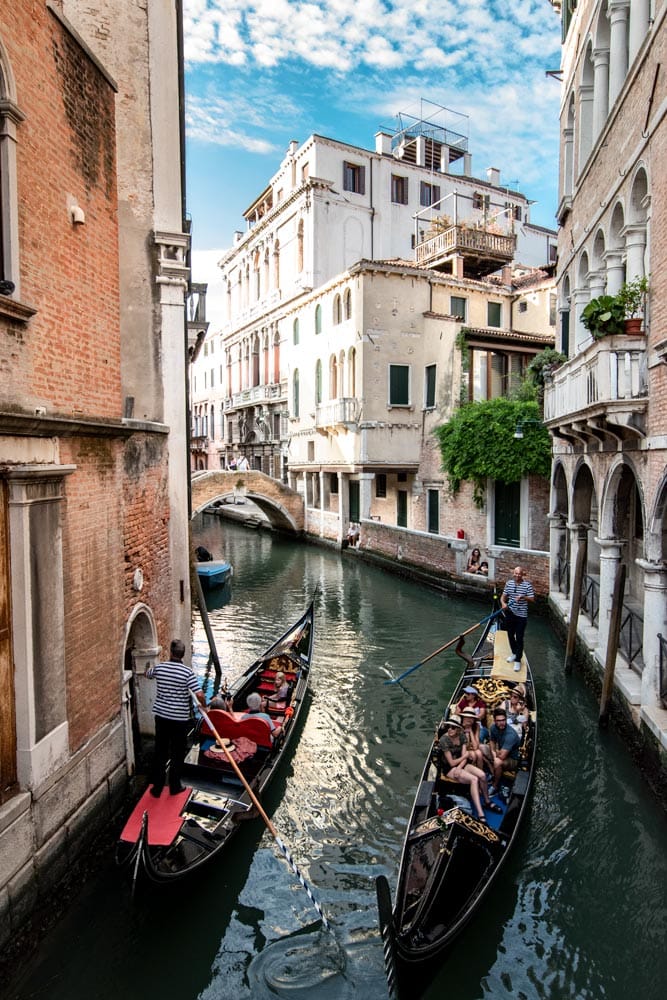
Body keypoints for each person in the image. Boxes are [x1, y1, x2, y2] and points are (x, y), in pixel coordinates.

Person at [147, 639, 206, 797]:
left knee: (160, 751)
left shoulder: (160, 668)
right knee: (177, 753)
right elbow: (199, 694)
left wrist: (150, 670)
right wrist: (204, 705)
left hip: (161, 717)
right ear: (183, 654)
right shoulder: (187, 673)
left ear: (170, 653)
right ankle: (174, 787)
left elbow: (148, 674)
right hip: (179, 720)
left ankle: (157, 788)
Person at [438, 717, 501, 823]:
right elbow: (451, 762)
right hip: (449, 768)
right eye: (448, 727)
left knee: (482, 775)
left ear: (458, 729)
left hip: (460, 765)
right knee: (474, 779)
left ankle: (487, 801)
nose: (449, 729)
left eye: (452, 727)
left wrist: (460, 766)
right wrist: (463, 759)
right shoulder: (444, 740)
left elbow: (464, 756)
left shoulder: (462, 736)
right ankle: (480, 813)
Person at [501, 565, 535, 669]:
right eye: (516, 573)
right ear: (513, 574)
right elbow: (503, 596)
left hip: (521, 616)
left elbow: (532, 599)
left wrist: (523, 597)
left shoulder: (527, 585)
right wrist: (503, 603)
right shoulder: (509, 583)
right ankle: (515, 653)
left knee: (519, 637)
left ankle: (518, 660)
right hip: (510, 613)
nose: (517, 575)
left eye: (519, 573)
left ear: (522, 575)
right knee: (510, 635)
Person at [488, 707, 521, 787]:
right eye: (499, 721)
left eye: (503, 720)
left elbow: (502, 756)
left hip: (512, 759)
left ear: (506, 719)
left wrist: (495, 753)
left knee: (498, 762)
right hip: (499, 751)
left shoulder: (510, 735)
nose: (501, 723)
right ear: (495, 721)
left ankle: (494, 785)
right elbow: (492, 741)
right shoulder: (493, 728)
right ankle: (492, 772)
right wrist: (494, 752)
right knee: (481, 748)